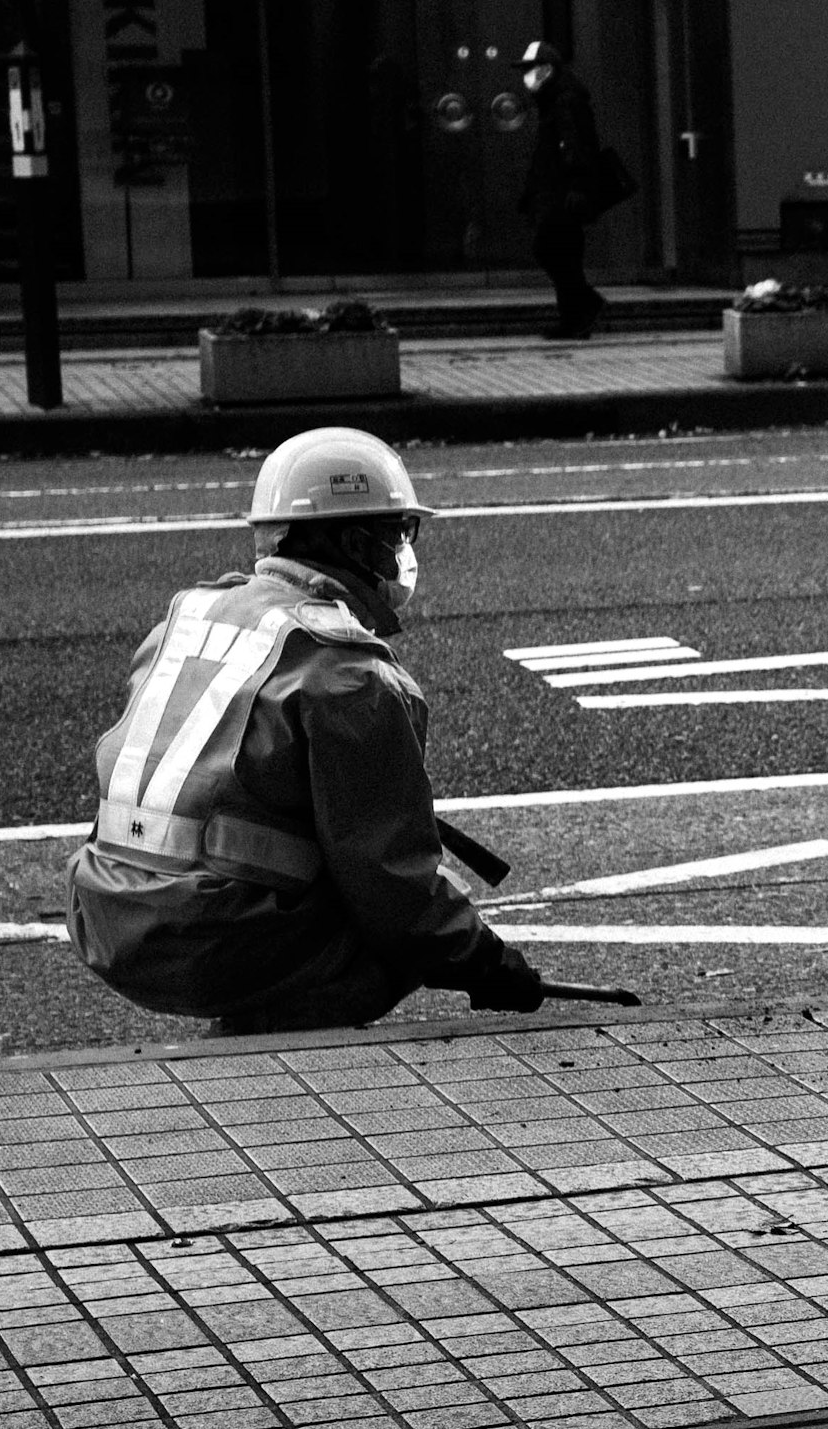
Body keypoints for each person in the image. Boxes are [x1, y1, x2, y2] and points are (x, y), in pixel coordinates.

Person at [68, 429, 548, 1036]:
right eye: (400, 533)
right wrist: (486, 963)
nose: (406, 553)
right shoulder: (349, 675)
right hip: (210, 943)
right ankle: (283, 1064)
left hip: (104, 912)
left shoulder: (187, 616)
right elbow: (393, 881)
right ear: (355, 542)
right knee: (386, 933)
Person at [515, 39, 613, 339]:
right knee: (562, 254)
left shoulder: (564, 100)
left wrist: (577, 186)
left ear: (548, 70)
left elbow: (573, 147)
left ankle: (582, 307)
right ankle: (575, 317)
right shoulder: (556, 100)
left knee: (552, 250)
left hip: (563, 194)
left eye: (533, 69)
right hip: (558, 192)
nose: (528, 76)